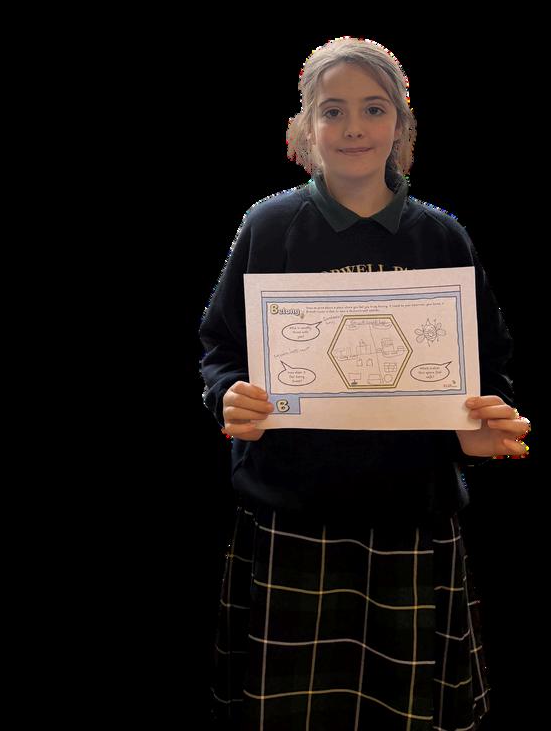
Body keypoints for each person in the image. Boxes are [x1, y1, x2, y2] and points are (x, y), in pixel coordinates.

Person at [198, 36, 531, 730]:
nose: (354, 127)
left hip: (412, 516)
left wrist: (481, 427)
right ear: (305, 127)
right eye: (333, 110)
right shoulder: (268, 227)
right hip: (290, 515)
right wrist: (228, 395)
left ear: (401, 124)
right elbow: (221, 348)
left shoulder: (441, 239)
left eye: (374, 109)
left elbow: (488, 365)